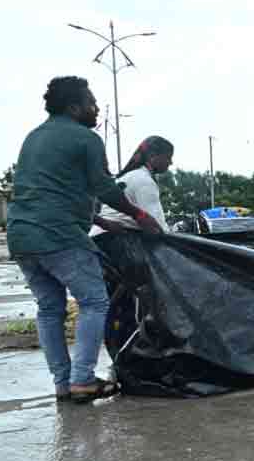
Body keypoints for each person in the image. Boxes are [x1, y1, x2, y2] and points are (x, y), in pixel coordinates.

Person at [8, 76, 163, 403]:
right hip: (59, 234)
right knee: (94, 301)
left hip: (21, 236)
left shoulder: (34, 137)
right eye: (91, 103)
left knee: (49, 308)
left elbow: (47, 190)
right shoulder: (86, 138)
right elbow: (104, 187)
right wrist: (139, 215)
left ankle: (63, 383)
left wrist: (101, 221)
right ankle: (83, 379)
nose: (96, 109)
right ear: (74, 107)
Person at [90, 136, 174, 236]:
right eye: (168, 157)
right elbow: (159, 227)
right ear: (152, 156)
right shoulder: (144, 180)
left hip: (99, 235)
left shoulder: (129, 175)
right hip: (112, 238)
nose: (171, 162)